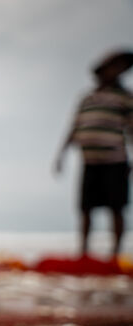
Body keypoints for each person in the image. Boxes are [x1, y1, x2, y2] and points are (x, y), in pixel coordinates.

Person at [54, 50, 133, 259]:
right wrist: (61, 155)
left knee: (116, 207)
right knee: (86, 208)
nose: (116, 72)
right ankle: (84, 253)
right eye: (112, 67)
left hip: (115, 160)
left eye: (121, 68)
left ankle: (115, 255)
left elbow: (132, 129)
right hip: (90, 161)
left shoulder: (125, 98)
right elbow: (75, 127)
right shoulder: (87, 98)